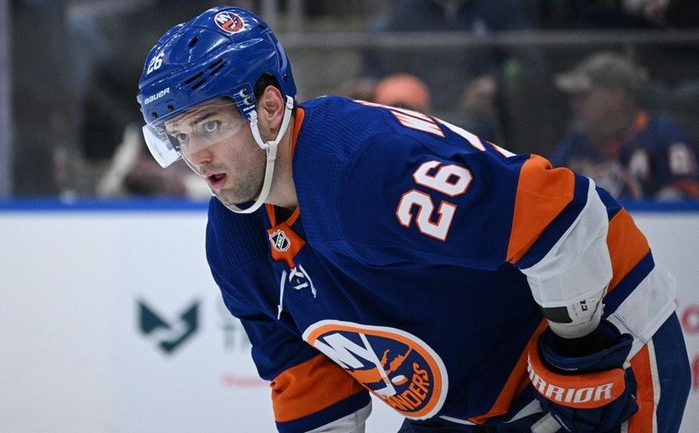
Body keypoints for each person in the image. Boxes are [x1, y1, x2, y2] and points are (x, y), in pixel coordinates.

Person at [136, 7, 691, 433]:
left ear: (271, 108)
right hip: (466, 401)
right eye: (179, 137)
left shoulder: (365, 167)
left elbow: (563, 213)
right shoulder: (235, 240)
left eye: (209, 125)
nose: (196, 156)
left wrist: (580, 345)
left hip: (606, 338)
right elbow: (305, 373)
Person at [551, 51, 699, 200]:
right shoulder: (575, 143)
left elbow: (686, 199)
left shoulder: (665, 138)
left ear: (615, 98)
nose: (575, 105)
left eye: (584, 96)